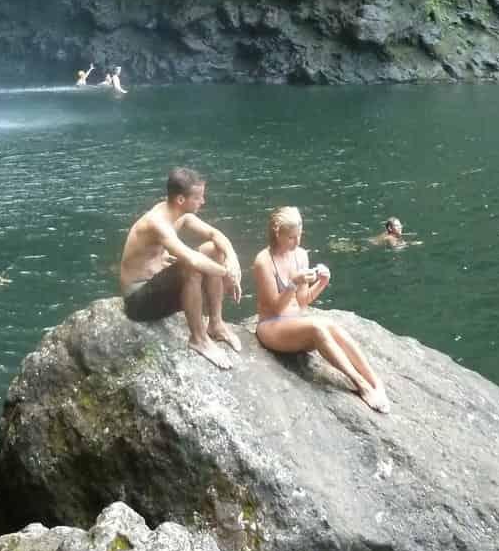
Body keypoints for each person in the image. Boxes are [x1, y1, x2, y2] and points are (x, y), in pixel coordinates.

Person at [253, 206, 390, 412]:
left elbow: (303, 302)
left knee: (331, 326)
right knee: (317, 328)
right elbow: (276, 308)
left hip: (295, 320)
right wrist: (292, 284)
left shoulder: (300, 255)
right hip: (271, 325)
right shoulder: (263, 262)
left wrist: (323, 282)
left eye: (299, 235)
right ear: (276, 232)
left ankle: (374, 381)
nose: (297, 242)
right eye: (291, 237)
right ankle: (360, 385)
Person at [119, 167, 242, 369]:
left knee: (214, 250)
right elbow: (191, 260)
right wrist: (226, 273)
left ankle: (216, 324)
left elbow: (214, 235)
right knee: (190, 268)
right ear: (181, 200)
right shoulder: (157, 223)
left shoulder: (178, 213)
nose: (203, 201)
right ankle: (199, 339)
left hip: (157, 284)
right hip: (138, 301)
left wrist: (232, 259)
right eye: (198, 197)